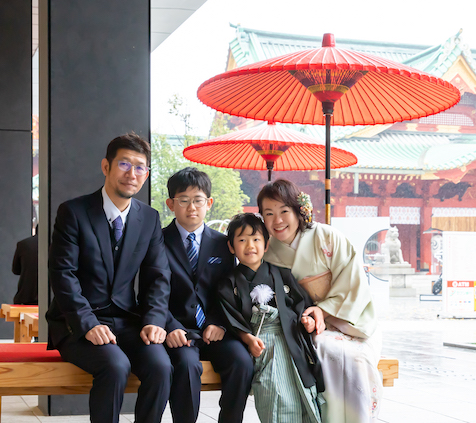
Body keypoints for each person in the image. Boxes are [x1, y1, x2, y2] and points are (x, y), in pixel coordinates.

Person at [46, 133, 173, 423]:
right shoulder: (74, 212)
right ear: (106, 166)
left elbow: (158, 277)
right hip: (77, 323)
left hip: (127, 321)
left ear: (147, 174)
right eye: (124, 164)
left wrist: (154, 319)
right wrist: (88, 323)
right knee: (115, 367)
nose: (132, 174)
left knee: (161, 367)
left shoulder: (149, 218)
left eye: (140, 167)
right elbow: (62, 274)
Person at [258, 179, 383, 422]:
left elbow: (353, 283)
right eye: (269, 213)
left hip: (348, 318)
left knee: (353, 358)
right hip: (306, 325)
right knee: (321, 350)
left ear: (298, 210)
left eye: (284, 211)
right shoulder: (268, 251)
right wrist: (309, 316)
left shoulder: (327, 236)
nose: (277, 220)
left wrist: (323, 310)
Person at [162, 167, 253, 423]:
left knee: (242, 363)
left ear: (209, 203)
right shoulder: (157, 242)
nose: (192, 207)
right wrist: (170, 326)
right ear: (171, 203)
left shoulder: (223, 244)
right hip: (179, 331)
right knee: (187, 367)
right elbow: (149, 292)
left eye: (198, 200)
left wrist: (219, 322)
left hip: (215, 329)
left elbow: (228, 292)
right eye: (184, 200)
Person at [218, 213, 325, 423]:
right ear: (231, 247)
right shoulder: (227, 282)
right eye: (242, 240)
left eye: (256, 239)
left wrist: (307, 320)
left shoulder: (282, 274)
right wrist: (248, 339)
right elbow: (230, 317)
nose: (250, 245)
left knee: (301, 391)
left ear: (266, 245)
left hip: (288, 339)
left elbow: (301, 304)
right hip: (259, 345)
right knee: (273, 392)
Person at [12, 225, 38, 305]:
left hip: (25, 298)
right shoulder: (59, 246)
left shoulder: (23, 244)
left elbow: (15, 270)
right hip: (51, 301)